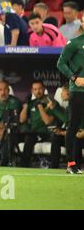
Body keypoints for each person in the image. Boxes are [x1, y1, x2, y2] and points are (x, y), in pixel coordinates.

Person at [57, 17, 84, 174]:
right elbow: (60, 63)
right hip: (79, 91)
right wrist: (74, 78)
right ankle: (71, 164)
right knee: (73, 126)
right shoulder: (74, 43)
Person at [19, 81, 55, 168]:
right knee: (15, 135)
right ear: (32, 91)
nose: (38, 91)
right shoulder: (31, 102)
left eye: (40, 89)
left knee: (29, 137)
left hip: (46, 133)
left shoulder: (50, 102)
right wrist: (26, 105)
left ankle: (24, 166)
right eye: (35, 89)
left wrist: (40, 107)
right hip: (32, 132)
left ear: (44, 89)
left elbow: (47, 121)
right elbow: (21, 120)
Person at [48, 84, 84, 169]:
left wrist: (54, 109)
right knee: (56, 138)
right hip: (75, 133)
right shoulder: (69, 106)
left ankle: (75, 166)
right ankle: (54, 167)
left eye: (63, 92)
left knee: (76, 139)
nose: (61, 94)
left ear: (69, 93)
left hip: (81, 135)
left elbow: (73, 125)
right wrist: (61, 132)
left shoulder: (77, 104)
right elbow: (67, 120)